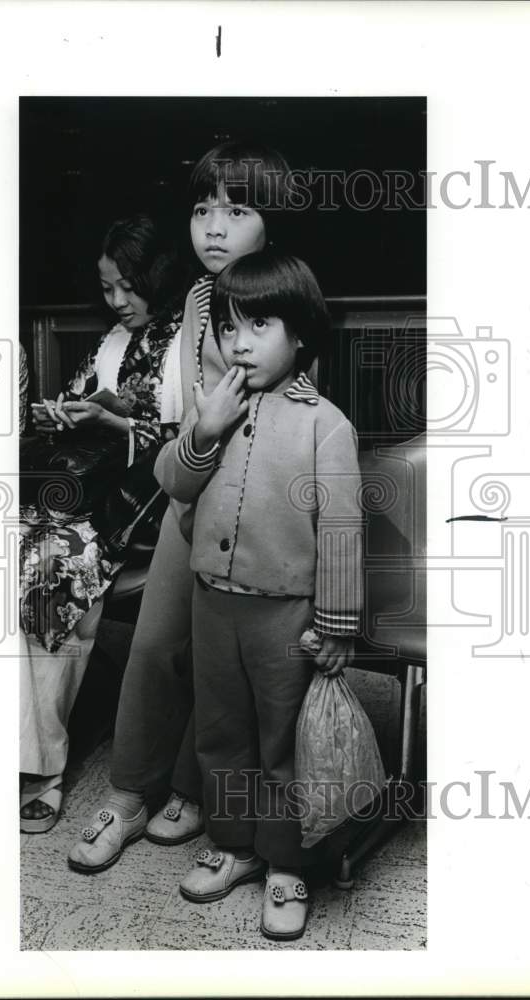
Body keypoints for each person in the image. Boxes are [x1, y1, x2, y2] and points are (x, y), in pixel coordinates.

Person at [68, 141, 297, 873]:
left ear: (273, 220)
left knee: (226, 664)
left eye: (236, 209)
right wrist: (197, 438)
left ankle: (195, 792)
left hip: (262, 510)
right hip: (192, 493)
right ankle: (132, 793)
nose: (214, 226)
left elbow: (296, 424)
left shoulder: (288, 292)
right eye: (202, 209)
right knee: (155, 646)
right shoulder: (196, 300)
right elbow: (189, 425)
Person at [154, 249, 363, 940]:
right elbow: (173, 482)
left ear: (299, 333)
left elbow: (338, 530)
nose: (238, 342)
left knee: (282, 745)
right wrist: (203, 430)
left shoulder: (322, 424)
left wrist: (335, 625)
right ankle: (236, 844)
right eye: (228, 326)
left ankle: (286, 861)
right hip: (212, 602)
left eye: (260, 323)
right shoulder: (213, 409)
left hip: (286, 617)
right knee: (220, 734)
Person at [20, 213, 185, 833]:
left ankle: (44, 768)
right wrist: (66, 412)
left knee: (47, 568)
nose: (115, 302)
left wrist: (125, 427)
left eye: (127, 287)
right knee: (4, 551)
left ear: (157, 277)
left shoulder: (190, 339)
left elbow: (202, 443)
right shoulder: (113, 341)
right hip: (89, 494)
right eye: (106, 287)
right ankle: (16, 732)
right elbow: (88, 402)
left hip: (146, 510)